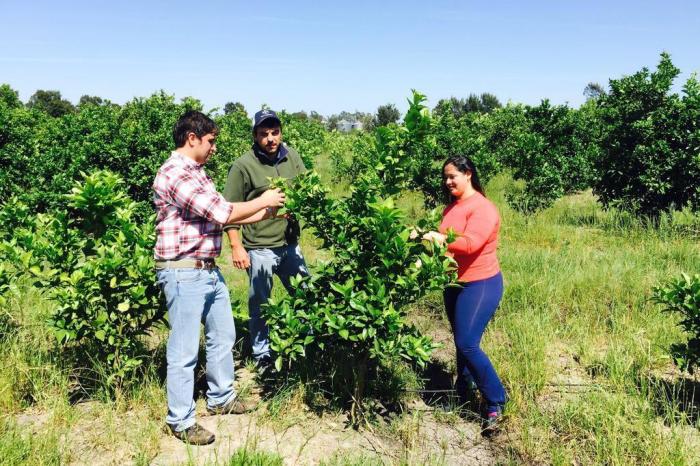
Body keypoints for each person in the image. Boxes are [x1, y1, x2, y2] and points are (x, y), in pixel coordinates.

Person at [153, 110, 286, 445]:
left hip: (207, 269)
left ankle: (221, 397)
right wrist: (264, 200)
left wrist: (264, 212)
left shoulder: (198, 173)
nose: (214, 148)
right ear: (192, 138)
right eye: (210, 141)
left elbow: (222, 211)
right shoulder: (175, 174)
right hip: (183, 271)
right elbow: (222, 212)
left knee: (223, 334)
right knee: (184, 350)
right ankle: (181, 420)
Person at [422, 155, 506, 434]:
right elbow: (446, 247)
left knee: (467, 342)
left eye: (452, 176)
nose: (447, 182)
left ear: (467, 174)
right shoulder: (452, 208)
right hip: (455, 283)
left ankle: (495, 401)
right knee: (461, 341)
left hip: (480, 284)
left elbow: (470, 244)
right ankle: (463, 388)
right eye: (445, 178)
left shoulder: (483, 208)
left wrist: (438, 238)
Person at [223, 109, 309, 375]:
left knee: (306, 293)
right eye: (264, 134)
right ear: (255, 135)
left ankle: (309, 345)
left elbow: (307, 187)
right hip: (260, 248)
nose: (271, 139)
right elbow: (229, 210)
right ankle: (263, 354)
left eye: (275, 132)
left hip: (290, 245)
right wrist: (237, 245)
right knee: (260, 303)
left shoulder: (291, 156)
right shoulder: (242, 165)